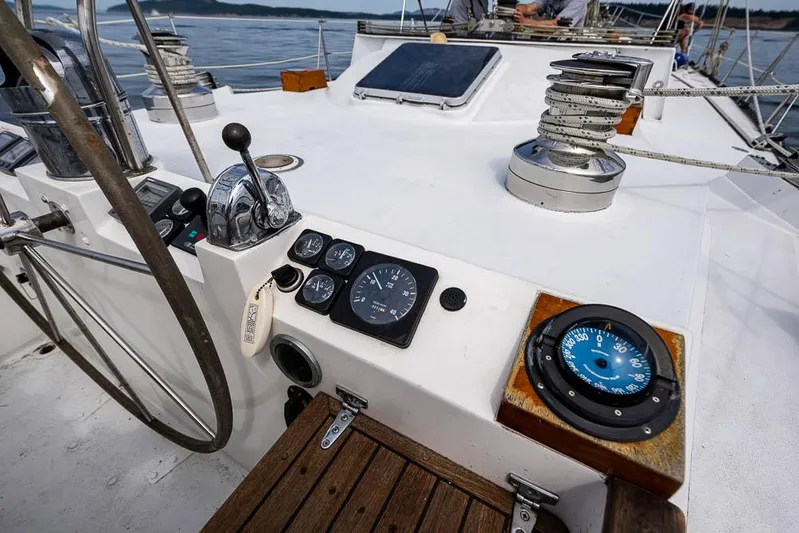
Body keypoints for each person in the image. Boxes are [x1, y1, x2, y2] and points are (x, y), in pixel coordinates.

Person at [514, 0, 590, 28]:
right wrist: (516, 10)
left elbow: (556, 25)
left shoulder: (579, 2)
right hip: (547, 41)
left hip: (565, 46)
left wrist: (524, 22)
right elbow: (529, 8)